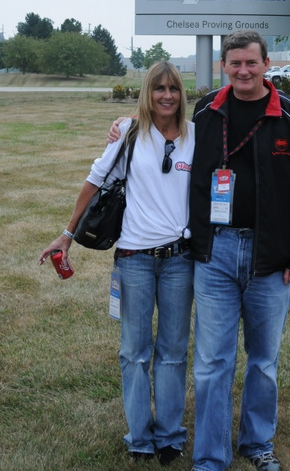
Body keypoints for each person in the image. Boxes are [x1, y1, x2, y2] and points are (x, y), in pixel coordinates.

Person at [39, 61, 195, 466]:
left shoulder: (195, 136)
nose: (166, 95)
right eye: (159, 88)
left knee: (174, 352)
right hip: (134, 260)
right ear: (148, 92)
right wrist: (66, 235)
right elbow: (93, 182)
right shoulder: (129, 133)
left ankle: (170, 436)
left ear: (181, 93)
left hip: (180, 261)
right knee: (134, 352)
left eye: (173, 88)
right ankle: (140, 437)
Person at [188, 30, 290, 471]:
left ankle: (257, 443)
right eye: (235, 63)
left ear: (267, 65)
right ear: (223, 66)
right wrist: (124, 126)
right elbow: (167, 138)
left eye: (251, 62)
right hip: (216, 253)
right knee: (212, 362)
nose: (243, 71)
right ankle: (211, 457)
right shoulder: (206, 111)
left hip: (271, 259)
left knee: (263, 362)